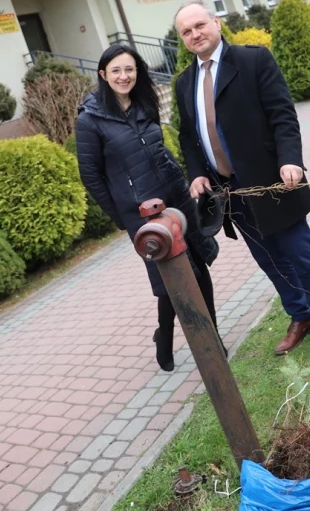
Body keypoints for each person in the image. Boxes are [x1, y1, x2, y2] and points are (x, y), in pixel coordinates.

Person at [173, 1, 310, 356]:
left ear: (216, 22)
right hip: (232, 194)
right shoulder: (184, 83)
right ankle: (301, 315)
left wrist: (290, 160)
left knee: (301, 255)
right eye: (186, 31)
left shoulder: (254, 61)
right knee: (270, 260)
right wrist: (195, 174)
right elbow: (188, 138)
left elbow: (282, 115)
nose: (195, 34)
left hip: (273, 183)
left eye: (199, 25)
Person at [76, 44, 222, 373]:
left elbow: (159, 149)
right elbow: (91, 176)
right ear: (103, 75)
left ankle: (211, 339)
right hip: (143, 212)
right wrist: (121, 215)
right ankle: (167, 337)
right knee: (169, 276)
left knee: (197, 263)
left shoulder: (145, 103)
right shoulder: (90, 120)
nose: (123, 76)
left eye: (129, 69)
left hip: (176, 198)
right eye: (115, 70)